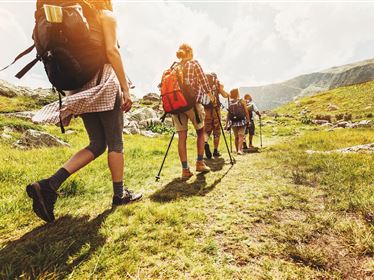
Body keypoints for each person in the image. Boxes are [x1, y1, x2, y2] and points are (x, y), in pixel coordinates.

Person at [27, 0, 142, 223]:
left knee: (97, 144)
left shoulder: (71, 19)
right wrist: (125, 89)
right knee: (115, 142)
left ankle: (49, 184)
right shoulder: (105, 16)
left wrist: (71, 101)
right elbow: (112, 51)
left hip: (80, 88)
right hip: (105, 83)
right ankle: (120, 195)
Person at [172, 44, 215, 179]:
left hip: (176, 105)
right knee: (200, 132)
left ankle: (185, 170)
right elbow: (203, 81)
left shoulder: (173, 66)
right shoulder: (194, 63)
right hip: (191, 103)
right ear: (190, 52)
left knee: (182, 137)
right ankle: (200, 163)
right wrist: (210, 95)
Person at [203, 73, 229, 159]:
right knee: (216, 130)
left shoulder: (204, 84)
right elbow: (225, 95)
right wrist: (223, 90)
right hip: (216, 109)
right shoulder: (217, 84)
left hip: (206, 109)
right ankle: (215, 150)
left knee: (206, 129)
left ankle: (205, 142)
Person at [227, 88, 250, 155]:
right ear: (237, 94)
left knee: (236, 136)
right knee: (241, 135)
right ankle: (240, 150)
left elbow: (228, 114)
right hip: (242, 121)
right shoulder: (241, 101)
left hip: (233, 122)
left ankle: (237, 149)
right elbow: (246, 111)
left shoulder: (230, 102)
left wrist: (227, 124)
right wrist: (248, 120)